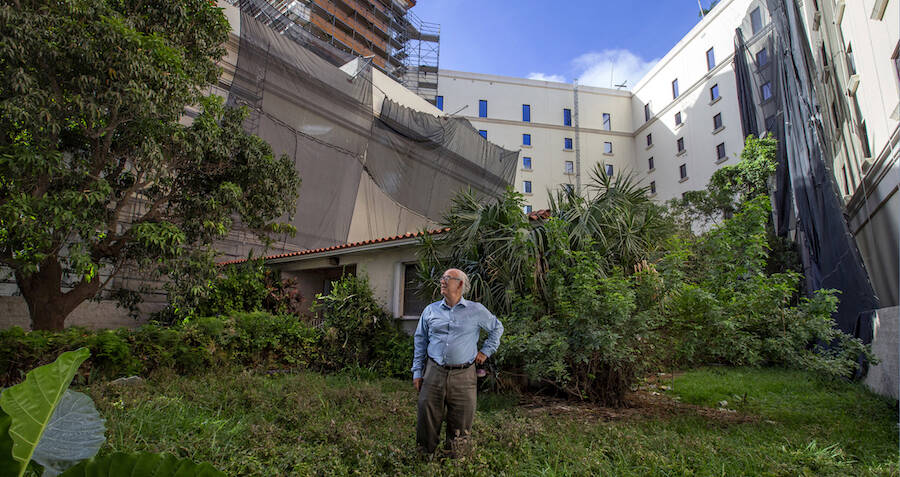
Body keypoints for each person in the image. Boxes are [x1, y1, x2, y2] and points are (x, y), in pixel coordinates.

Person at [411, 268, 504, 456]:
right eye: (442, 277)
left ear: (460, 284)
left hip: (464, 374)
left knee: (461, 421)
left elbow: (497, 328)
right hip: (433, 372)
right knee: (427, 418)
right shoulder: (430, 310)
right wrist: (417, 372)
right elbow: (420, 341)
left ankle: (455, 461)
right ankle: (423, 458)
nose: (442, 281)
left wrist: (485, 351)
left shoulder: (476, 310)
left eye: (447, 278)